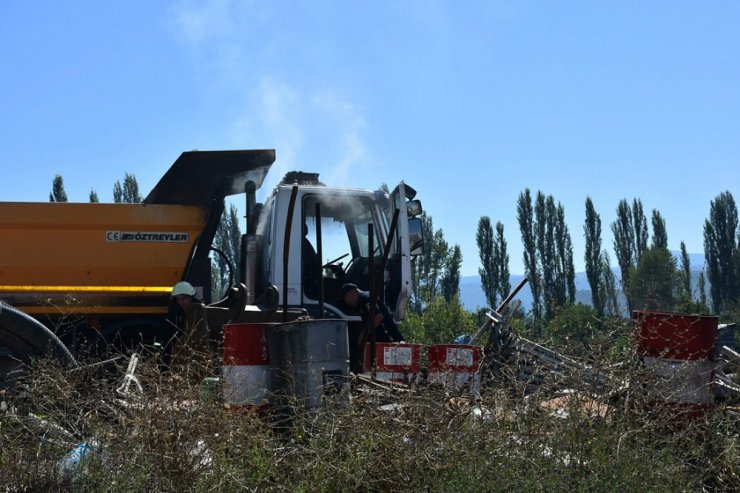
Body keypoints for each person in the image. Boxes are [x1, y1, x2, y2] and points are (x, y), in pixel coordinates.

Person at [163, 281, 211, 380]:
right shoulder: (174, 312)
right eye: (178, 299)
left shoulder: (199, 310)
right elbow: (166, 331)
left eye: (184, 298)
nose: (181, 302)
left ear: (191, 297)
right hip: (179, 352)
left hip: (197, 349)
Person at [339, 283, 404, 343]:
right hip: (383, 342)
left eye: (347, 299)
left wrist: (364, 334)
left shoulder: (365, 298)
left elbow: (378, 317)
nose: (347, 302)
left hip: (392, 341)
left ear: (353, 292)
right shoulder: (360, 303)